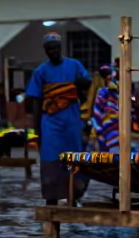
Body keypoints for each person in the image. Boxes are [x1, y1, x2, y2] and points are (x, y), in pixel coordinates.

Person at [25, 32, 90, 204]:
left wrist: (75, 84)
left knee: (74, 157)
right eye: (49, 49)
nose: (53, 51)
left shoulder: (74, 65)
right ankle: (51, 198)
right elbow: (36, 102)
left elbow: (87, 83)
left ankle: (74, 195)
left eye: (55, 48)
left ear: (61, 48)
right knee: (50, 158)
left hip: (71, 121)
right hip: (50, 123)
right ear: (45, 51)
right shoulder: (41, 72)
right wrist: (36, 130)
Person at [90, 66, 121, 153]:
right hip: (109, 126)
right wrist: (98, 128)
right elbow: (96, 111)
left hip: (119, 126)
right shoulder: (103, 91)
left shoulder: (121, 91)